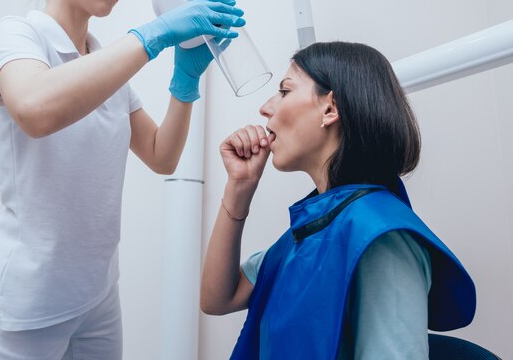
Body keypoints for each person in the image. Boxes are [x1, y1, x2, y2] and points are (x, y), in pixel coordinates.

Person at [0, 0, 245, 360]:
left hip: (96, 296)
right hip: (25, 305)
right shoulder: (19, 34)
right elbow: (35, 110)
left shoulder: (102, 58)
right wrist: (151, 36)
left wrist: (185, 81)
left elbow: (161, 154)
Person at [201, 41, 476, 360]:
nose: (266, 107)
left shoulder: (381, 237)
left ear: (330, 109)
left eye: (285, 91)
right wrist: (240, 187)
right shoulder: (313, 227)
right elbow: (217, 298)